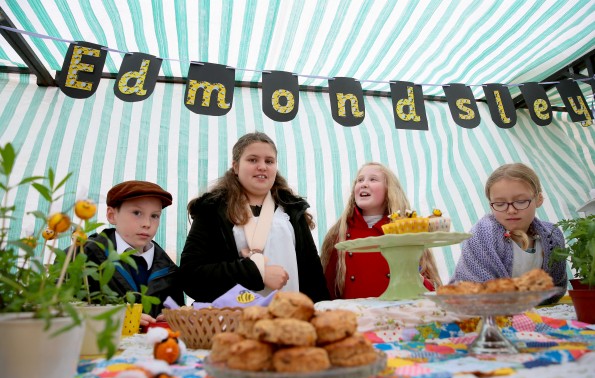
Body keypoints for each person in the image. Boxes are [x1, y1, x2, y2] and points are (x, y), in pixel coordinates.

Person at [179, 132, 330, 303]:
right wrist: (257, 272)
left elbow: (313, 275)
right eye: (252, 160)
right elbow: (191, 276)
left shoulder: (292, 210)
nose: (262, 166)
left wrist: (320, 313)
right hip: (232, 322)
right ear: (235, 167)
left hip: (288, 321)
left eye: (269, 161)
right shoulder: (212, 210)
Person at [320, 162, 442, 299]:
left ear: (389, 190)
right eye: (360, 180)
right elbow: (326, 291)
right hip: (355, 316)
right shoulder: (338, 234)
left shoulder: (407, 231)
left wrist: (415, 277)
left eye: (373, 179)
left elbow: (430, 290)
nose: (364, 184)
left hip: (397, 315)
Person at [450, 163, 567, 303]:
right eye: (500, 204)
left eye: (521, 201)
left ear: (539, 199)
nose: (511, 210)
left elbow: (555, 287)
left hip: (533, 311)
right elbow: (480, 290)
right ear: (491, 205)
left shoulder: (552, 236)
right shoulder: (483, 235)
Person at [78, 181, 184, 326]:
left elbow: (177, 312)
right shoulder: (83, 256)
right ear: (111, 215)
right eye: (137, 213)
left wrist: (171, 318)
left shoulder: (169, 270)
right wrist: (114, 316)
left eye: (155, 216)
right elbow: (58, 310)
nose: (147, 223)